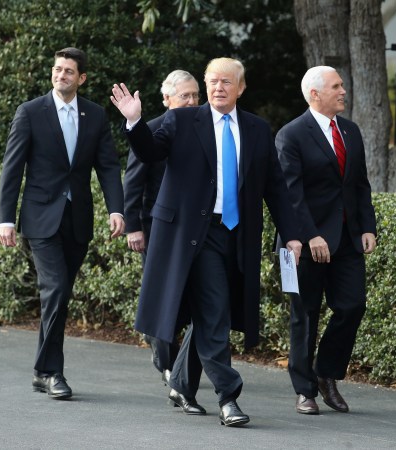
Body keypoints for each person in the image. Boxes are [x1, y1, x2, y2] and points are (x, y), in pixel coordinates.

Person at [110, 57, 302, 427]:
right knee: (215, 312)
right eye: (212, 81)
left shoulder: (258, 130)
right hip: (190, 233)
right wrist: (134, 121)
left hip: (237, 234)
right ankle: (228, 396)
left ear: (240, 88)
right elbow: (149, 153)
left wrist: (292, 235)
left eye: (226, 82)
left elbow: (276, 187)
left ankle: (181, 383)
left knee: (215, 313)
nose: (218, 88)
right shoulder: (181, 120)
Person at [0, 47, 125, 400]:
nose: (61, 75)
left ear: (81, 78)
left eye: (69, 71)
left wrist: (117, 209)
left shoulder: (95, 115)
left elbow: (109, 167)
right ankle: (51, 372)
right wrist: (5, 219)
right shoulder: (30, 112)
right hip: (40, 218)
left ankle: (42, 371)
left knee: (60, 295)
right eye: (57, 70)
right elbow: (13, 168)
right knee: (54, 289)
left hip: (78, 219)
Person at [275, 66, 377, 415]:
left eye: (342, 85)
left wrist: (368, 226)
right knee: (305, 315)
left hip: (347, 239)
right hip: (303, 244)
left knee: (352, 306)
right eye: (336, 86)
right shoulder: (291, 135)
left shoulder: (350, 130)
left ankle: (326, 373)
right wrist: (310, 235)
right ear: (314, 94)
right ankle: (304, 390)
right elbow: (291, 195)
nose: (343, 91)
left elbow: (359, 184)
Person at [123, 70, 200, 385]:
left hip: (194, 227)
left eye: (196, 95)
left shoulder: (204, 130)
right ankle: (165, 358)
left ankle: (172, 352)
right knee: (163, 293)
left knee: (191, 295)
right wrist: (133, 227)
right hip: (156, 226)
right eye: (185, 96)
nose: (193, 101)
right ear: (167, 99)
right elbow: (133, 181)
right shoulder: (151, 130)